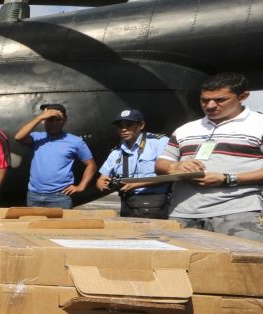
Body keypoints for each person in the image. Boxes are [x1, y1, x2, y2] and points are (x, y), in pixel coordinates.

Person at [156, 72, 263, 241]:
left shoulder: (259, 124)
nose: (210, 105)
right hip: (182, 214)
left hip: (238, 214)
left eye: (220, 100)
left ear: (243, 97)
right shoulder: (185, 129)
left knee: (243, 258)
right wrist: (173, 167)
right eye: (204, 100)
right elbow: (162, 163)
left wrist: (228, 179)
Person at [14, 103, 97, 208]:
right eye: (49, 119)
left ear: (64, 120)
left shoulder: (75, 141)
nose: (53, 124)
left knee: (60, 220)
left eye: (58, 120)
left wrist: (81, 186)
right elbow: (18, 137)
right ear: (44, 120)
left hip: (60, 197)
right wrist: (40, 117)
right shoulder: (37, 137)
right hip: (34, 196)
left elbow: (91, 165)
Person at [96, 109, 170, 219]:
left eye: (129, 125)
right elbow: (101, 179)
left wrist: (136, 184)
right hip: (128, 204)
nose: (124, 129)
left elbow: (170, 174)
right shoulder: (116, 152)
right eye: (120, 126)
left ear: (141, 125)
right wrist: (104, 185)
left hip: (155, 202)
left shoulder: (159, 142)